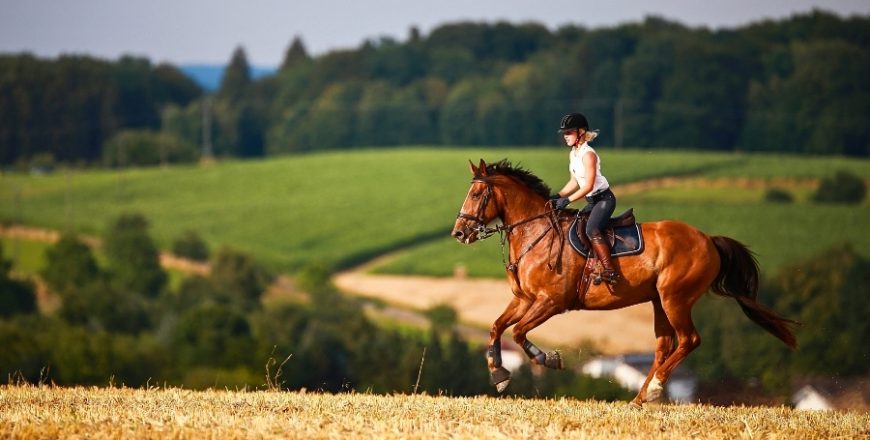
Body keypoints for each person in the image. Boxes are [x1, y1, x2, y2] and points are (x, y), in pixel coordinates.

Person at [551, 113, 619, 285]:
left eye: (569, 132)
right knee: (575, 226)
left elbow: (587, 186)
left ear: (581, 132)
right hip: (592, 202)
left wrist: (568, 200)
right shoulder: (574, 154)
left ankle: (610, 271)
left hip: (604, 200)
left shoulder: (588, 154)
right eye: (564, 133)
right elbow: (574, 181)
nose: (565, 136)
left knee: (591, 229)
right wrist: (557, 196)